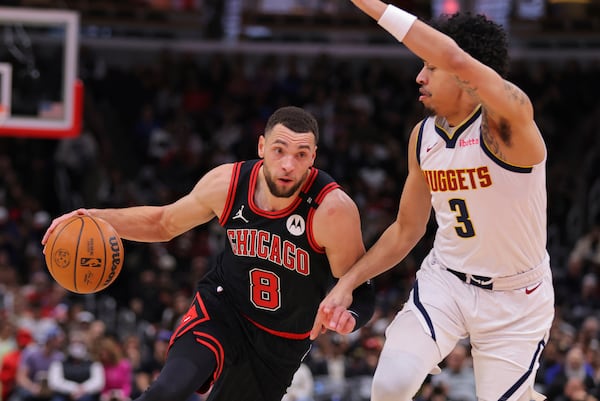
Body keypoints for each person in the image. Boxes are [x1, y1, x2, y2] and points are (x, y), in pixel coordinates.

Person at [42, 106, 375, 401]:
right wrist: (95, 217)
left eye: (301, 154)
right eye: (279, 150)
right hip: (223, 308)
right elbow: (163, 223)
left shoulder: (332, 210)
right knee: (165, 392)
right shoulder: (228, 184)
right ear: (262, 147)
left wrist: (350, 317)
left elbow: (360, 287)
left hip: (281, 342)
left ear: (313, 157)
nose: (288, 163)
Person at [310, 1, 554, 400]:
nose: (419, 76)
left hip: (516, 299)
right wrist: (346, 284)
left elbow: (453, 55)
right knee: (389, 386)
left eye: (431, 67)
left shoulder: (510, 127)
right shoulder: (424, 137)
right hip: (447, 281)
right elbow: (407, 230)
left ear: (462, 72)